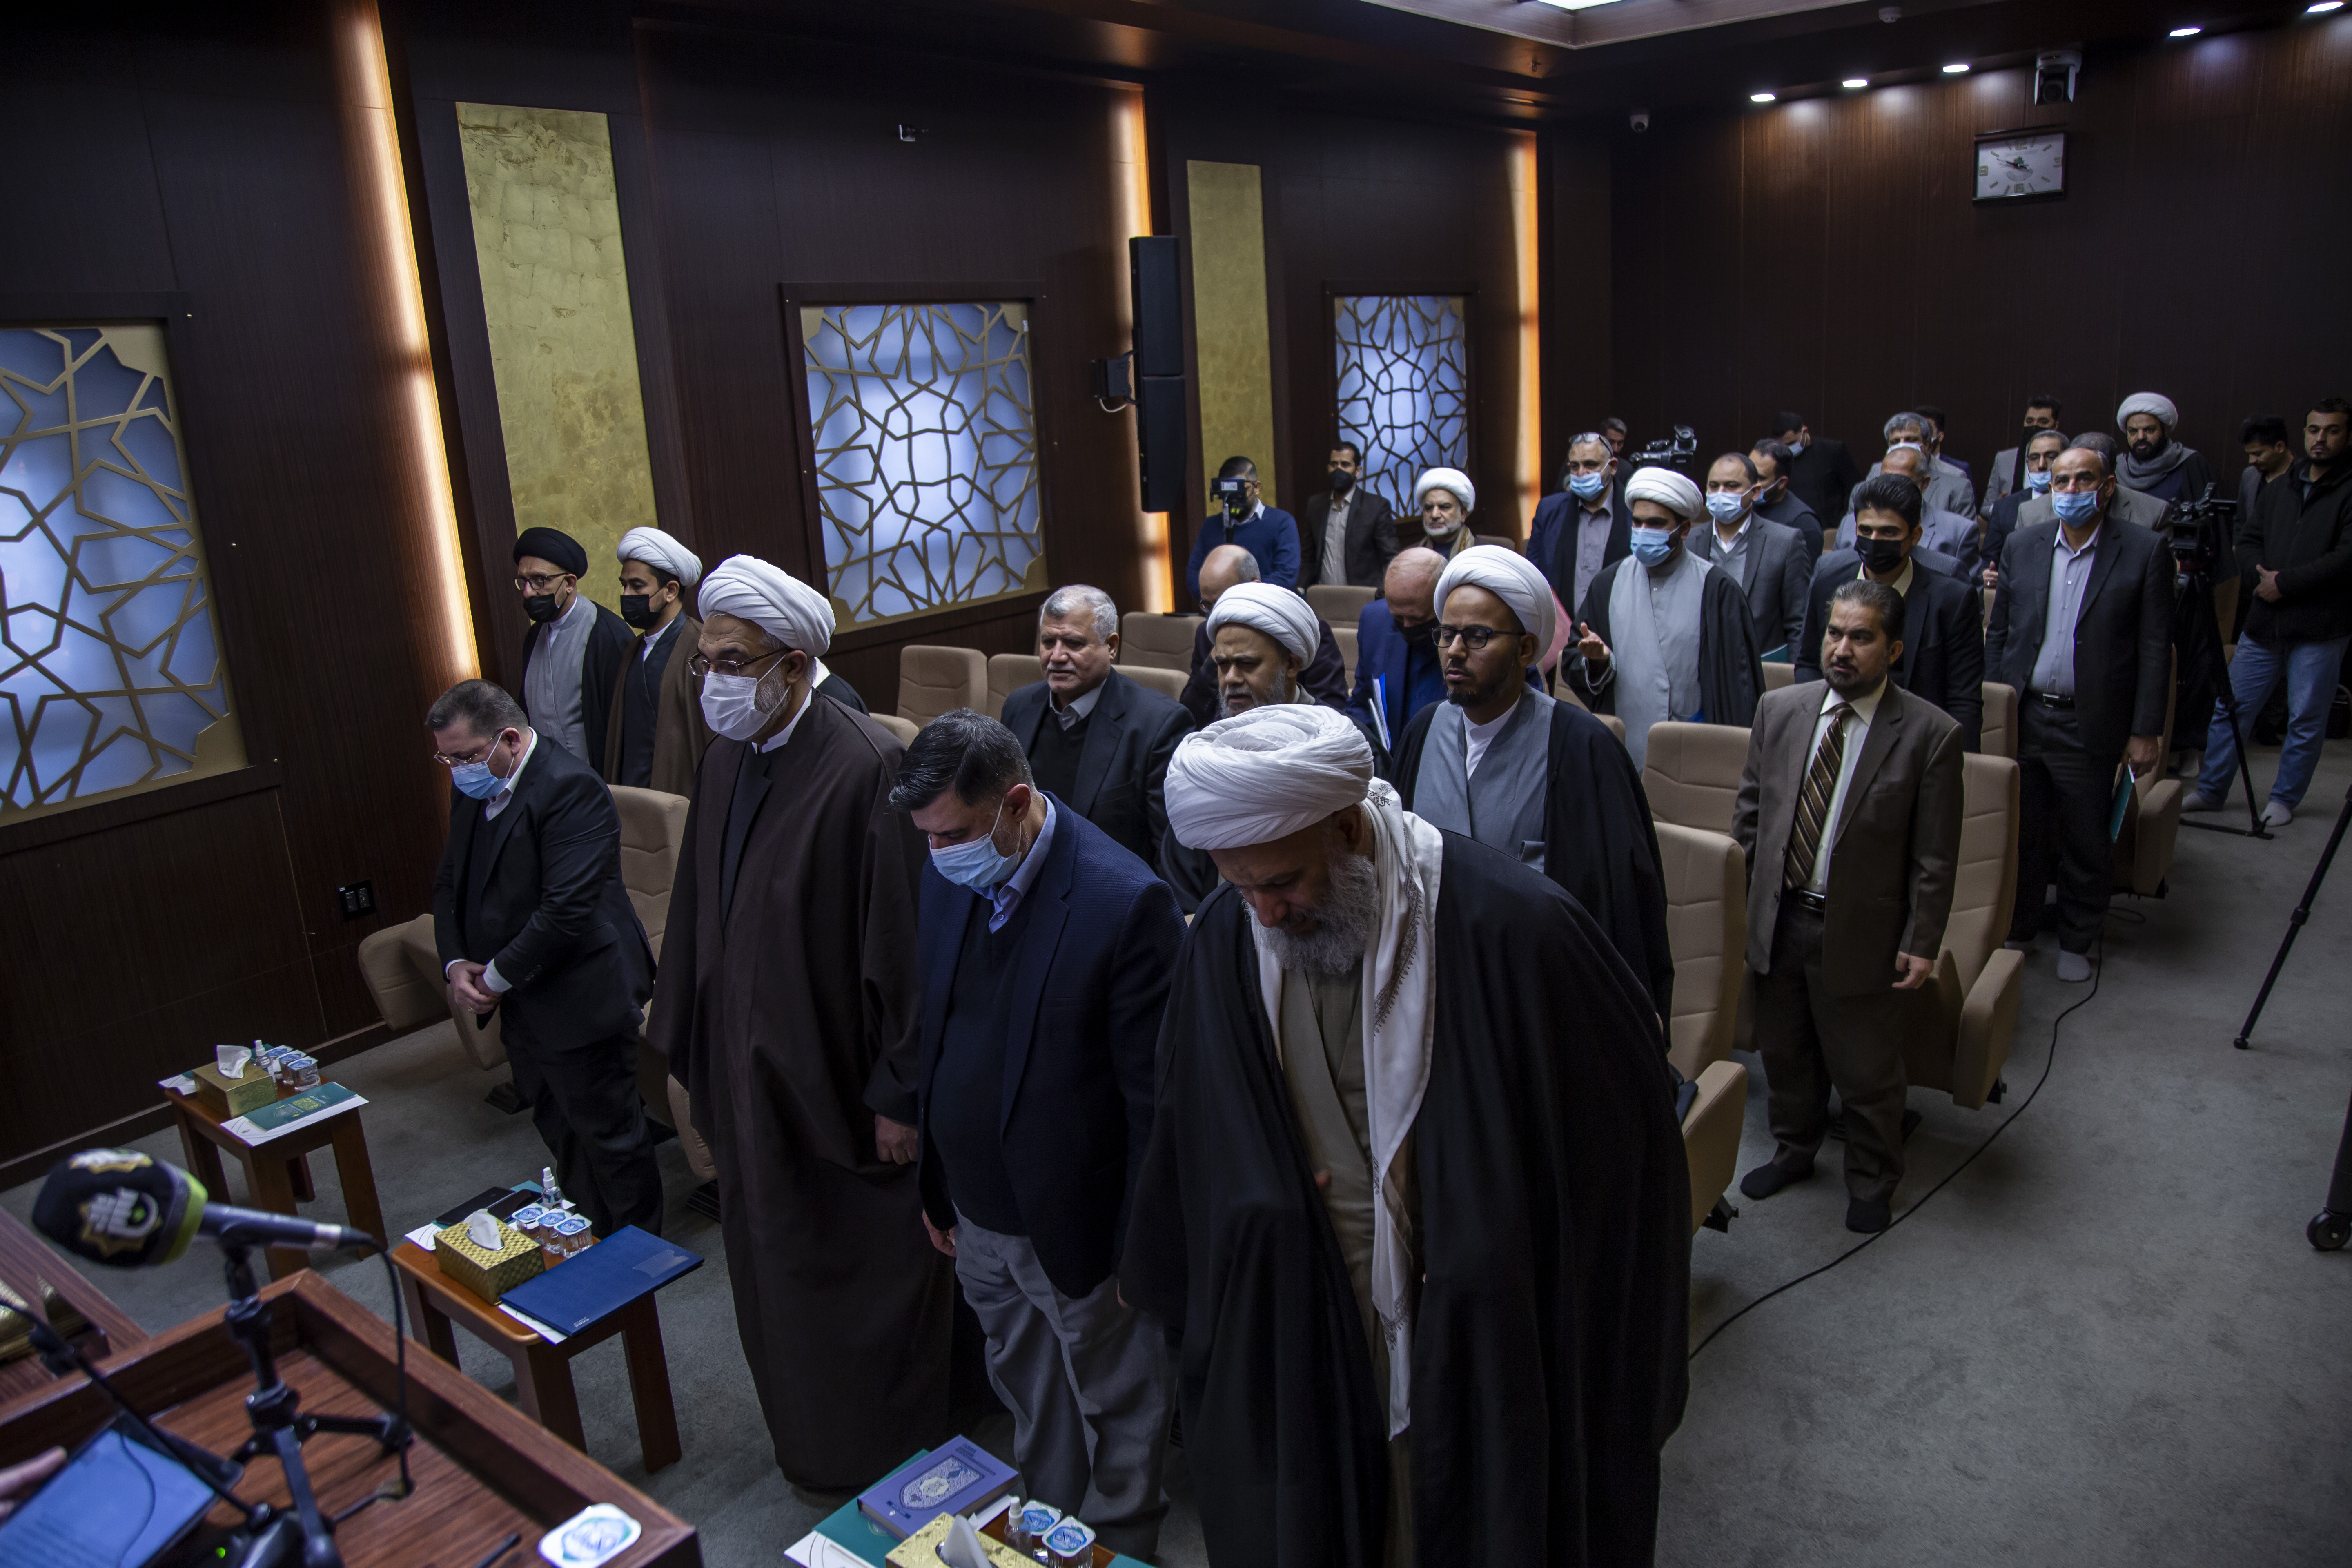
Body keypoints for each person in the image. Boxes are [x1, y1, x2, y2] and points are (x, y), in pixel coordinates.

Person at [1120, 704, 1688, 1568]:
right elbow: (1194, 1122)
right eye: (1240, 888)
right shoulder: (1232, 940)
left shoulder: (1517, 929)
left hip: (1480, 1336)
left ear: (1348, 829)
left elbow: (1624, 1170)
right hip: (1311, 1323)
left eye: (1282, 884)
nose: (1264, 915)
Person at [645, 554, 948, 1488]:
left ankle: (881, 1446)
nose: (714, 681)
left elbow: (903, 950)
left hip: (834, 1086)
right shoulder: (727, 759)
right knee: (768, 1268)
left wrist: (898, 1093)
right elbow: (700, 913)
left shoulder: (866, 765)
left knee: (850, 1274)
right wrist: (692, 1042)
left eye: (733, 663)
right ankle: (805, 1440)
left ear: (792, 663)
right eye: (706, 662)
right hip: (748, 1080)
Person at [896, 712, 1183, 1558]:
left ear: (1016, 803)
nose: (938, 853)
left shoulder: (1122, 902)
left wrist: (1137, 1250)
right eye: (926, 836)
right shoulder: (948, 871)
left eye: (952, 834)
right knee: (1027, 1388)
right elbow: (937, 1035)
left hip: (1080, 1231)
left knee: (1116, 1408)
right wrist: (937, 1187)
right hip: (976, 1214)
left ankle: (1120, 1547)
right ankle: (1053, 1535)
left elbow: (1153, 1107)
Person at [1733, 579, 1964, 1234]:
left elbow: (1935, 855)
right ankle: (1794, 1151)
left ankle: (1872, 1177)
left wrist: (1922, 939)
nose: (1842, 649)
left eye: (1861, 638)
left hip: (1864, 930)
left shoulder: (1931, 734)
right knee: (1786, 1054)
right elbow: (1750, 815)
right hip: (1780, 918)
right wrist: (1738, 909)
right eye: (1835, 633)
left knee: (1867, 1071)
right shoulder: (1780, 709)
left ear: (1893, 650)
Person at [1390, 546, 1675, 1018]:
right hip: (1435, 995)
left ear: (1525, 649)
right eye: (1447, 634)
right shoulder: (1423, 730)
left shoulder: (1582, 749)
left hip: (1540, 1001)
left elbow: (1614, 913)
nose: (1455, 651)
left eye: (1478, 636)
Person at [428, 678, 662, 1235]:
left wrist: (493, 980)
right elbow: (449, 883)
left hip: (583, 991)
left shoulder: (569, 788)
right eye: (447, 759)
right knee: (558, 1126)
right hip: (522, 995)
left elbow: (566, 911)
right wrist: (455, 964)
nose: (457, 770)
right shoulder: (475, 787)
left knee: (610, 1137)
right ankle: (591, 1235)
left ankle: (642, 1256)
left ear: (509, 739)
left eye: (465, 757)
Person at [1984, 446, 2173, 982]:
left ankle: (2077, 938)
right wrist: (1995, 703)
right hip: (2024, 714)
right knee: (2021, 832)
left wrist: (2146, 730)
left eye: (2083, 480)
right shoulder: (2023, 545)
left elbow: (2155, 648)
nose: (2070, 491)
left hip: (2089, 720)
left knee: (2085, 836)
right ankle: (2020, 929)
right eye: (2060, 481)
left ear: (2107, 487)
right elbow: (2001, 634)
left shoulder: (2143, 550)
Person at [2184, 398, 2352, 827]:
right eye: (2314, 430)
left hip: (2319, 627)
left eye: (2332, 430)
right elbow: (2246, 536)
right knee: (2231, 708)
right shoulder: (2281, 486)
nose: (2321, 438)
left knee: (2305, 718)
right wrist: (2259, 576)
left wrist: (2285, 583)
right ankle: (2211, 791)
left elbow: (2346, 557)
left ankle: (2283, 799)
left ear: (2347, 436)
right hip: (2264, 622)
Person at [1567, 467, 1765, 771]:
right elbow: (1573, 658)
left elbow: (1739, 689)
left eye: (1656, 524)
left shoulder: (1717, 590)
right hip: (1625, 751)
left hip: (1695, 754)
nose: (1644, 531)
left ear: (1684, 530)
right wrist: (1598, 663)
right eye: (1638, 522)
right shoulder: (1608, 583)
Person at [1000, 585, 1190, 866]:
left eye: (1074, 644)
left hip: (1111, 884)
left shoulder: (1158, 724)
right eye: (1048, 642)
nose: (1057, 656)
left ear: (1111, 647)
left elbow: (1174, 852)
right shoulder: (1019, 706)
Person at [1798, 474, 1984, 750]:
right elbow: (1808, 663)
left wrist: (1958, 762)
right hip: (1837, 729)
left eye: (1888, 533)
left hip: (1919, 743)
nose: (1874, 541)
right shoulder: (1828, 581)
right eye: (1866, 531)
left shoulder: (1952, 600)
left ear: (1915, 536)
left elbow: (1964, 699)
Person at [1182, 545, 1346, 728]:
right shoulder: (1207, 634)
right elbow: (1189, 716)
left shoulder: (1296, 633)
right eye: (1208, 605)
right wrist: (1217, 660)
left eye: (1248, 663)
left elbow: (1332, 714)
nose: (1217, 614)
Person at [603, 526, 711, 795]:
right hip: (633, 797)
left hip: (679, 797)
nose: (627, 595)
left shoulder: (702, 649)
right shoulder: (633, 649)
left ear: (671, 591)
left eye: (637, 586)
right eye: (624, 585)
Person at [514, 526, 633, 768]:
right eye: (523, 582)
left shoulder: (606, 635)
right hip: (546, 778)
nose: (528, 592)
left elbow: (626, 728)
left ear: (569, 583)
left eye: (539, 581)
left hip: (596, 780)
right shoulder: (534, 636)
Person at [1692, 451, 1809, 657]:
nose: (1721, 493)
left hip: (1761, 665)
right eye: (1714, 486)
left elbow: (1798, 622)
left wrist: (1793, 672)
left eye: (1732, 486)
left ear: (1755, 492)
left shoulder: (1785, 542)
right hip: (1700, 663)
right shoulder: (1690, 541)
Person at [1347, 547, 1448, 756]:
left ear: (1443, 601)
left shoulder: (1467, 636)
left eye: (1417, 618)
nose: (1407, 626)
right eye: (1398, 617)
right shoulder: (1375, 621)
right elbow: (1363, 701)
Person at [1526, 430, 1631, 618]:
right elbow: (1534, 576)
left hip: (1617, 625)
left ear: (1613, 467)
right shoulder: (1548, 511)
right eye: (1575, 467)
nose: (1582, 473)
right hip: (1561, 627)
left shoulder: (1634, 514)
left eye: (1591, 465)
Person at [1184, 455, 1299, 604]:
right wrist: (1213, 600)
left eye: (1239, 490)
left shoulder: (1282, 523)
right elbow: (1194, 573)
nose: (1233, 498)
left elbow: (1286, 575)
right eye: (1227, 492)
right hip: (1220, 608)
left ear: (1256, 487)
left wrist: (1240, 599)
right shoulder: (1211, 526)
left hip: (1267, 607)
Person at [1836, 447, 1972, 564]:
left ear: (1924, 484)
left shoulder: (1958, 532)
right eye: (1885, 480)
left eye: (1902, 482)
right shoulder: (1849, 524)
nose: (1892, 489)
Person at [1972, 428, 2070, 590]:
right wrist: (1986, 572)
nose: (2041, 465)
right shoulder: (2005, 507)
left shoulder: (2075, 504)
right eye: (2034, 458)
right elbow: (1988, 558)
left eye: (2051, 457)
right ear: (2027, 463)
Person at [1297, 441, 1399, 590]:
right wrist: (1301, 587)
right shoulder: (1316, 506)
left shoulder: (1376, 507)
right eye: (1334, 464)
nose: (1338, 469)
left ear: (1357, 471)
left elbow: (1390, 557)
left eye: (1345, 465)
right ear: (1328, 468)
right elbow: (1309, 555)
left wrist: (1383, 592)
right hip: (1324, 595)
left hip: (1362, 595)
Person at [1854, 413, 1977, 523]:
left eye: (1911, 440)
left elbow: (1963, 533)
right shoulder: (1876, 471)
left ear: (1928, 445)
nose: (1902, 446)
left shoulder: (1955, 478)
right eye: (1895, 441)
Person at [2117, 392, 2218, 506]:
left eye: (2149, 430)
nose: (2141, 437)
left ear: (2165, 430)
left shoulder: (2191, 464)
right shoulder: (2117, 467)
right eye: (2133, 431)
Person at [1773, 409, 1862, 527]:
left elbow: (1855, 488)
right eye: (1784, 445)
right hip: (1791, 525)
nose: (1788, 448)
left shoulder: (1833, 450)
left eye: (1792, 443)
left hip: (1829, 527)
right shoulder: (1778, 458)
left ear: (1805, 431)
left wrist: (1842, 519)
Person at [1750, 437, 1824, 564]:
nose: (1751, 483)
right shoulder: (1741, 505)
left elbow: (1802, 574)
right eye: (1749, 474)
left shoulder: (1804, 523)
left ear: (1782, 483)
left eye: (1760, 478)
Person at [1982, 394, 2064, 509]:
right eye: (2030, 422)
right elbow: (1986, 508)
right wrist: (1998, 508)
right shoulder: (2004, 459)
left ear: (2055, 426)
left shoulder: (2065, 458)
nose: (2035, 426)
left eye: (2043, 422)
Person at [1405, 467, 1478, 561]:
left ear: (1463, 514)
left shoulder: (1483, 551)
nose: (1435, 515)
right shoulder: (1410, 557)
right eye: (1429, 508)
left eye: (1444, 507)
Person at [1911, 404, 1977, 496]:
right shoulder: (1902, 467)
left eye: (1928, 431)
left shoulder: (1959, 470)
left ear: (1940, 436)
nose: (1922, 436)